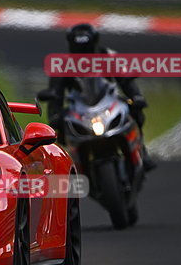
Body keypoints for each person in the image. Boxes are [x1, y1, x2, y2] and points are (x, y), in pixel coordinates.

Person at [42, 23, 156, 171]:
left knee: (135, 111)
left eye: (87, 49)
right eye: (79, 50)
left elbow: (125, 79)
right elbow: (55, 93)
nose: (83, 54)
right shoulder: (62, 65)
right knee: (60, 129)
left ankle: (142, 151)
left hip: (109, 102)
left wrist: (136, 96)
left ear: (94, 44)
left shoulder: (108, 56)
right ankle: (72, 166)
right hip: (79, 108)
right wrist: (54, 115)